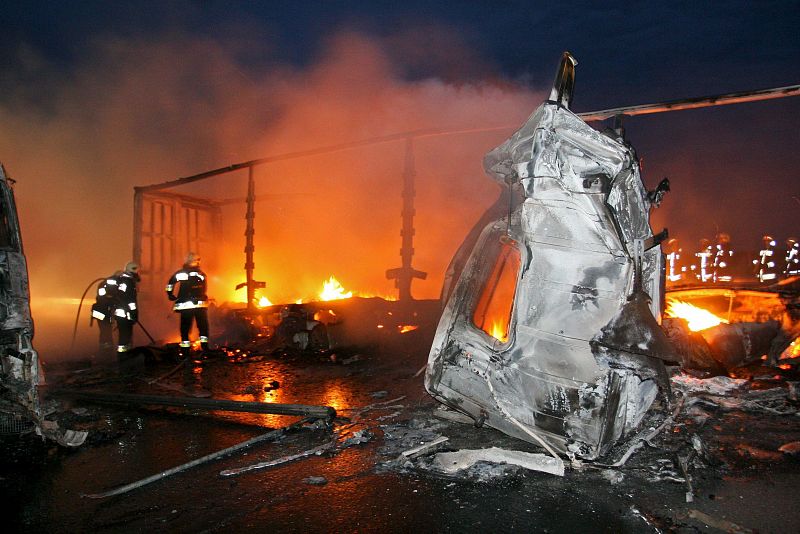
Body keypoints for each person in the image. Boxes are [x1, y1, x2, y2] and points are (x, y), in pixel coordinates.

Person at [90, 262, 140, 354]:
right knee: (124, 332)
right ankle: (122, 354)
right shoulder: (127, 283)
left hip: (101, 310)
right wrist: (134, 313)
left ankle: (105, 352)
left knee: (105, 332)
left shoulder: (104, 284)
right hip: (107, 311)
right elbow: (130, 301)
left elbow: (102, 298)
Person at [166, 252, 210, 352]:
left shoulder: (183, 273)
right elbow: (204, 288)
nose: (198, 262)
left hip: (187, 306)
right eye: (197, 260)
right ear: (191, 261)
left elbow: (171, 283)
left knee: (186, 328)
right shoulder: (201, 274)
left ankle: (185, 350)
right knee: (203, 327)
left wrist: (170, 294)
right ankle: (204, 348)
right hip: (199, 305)